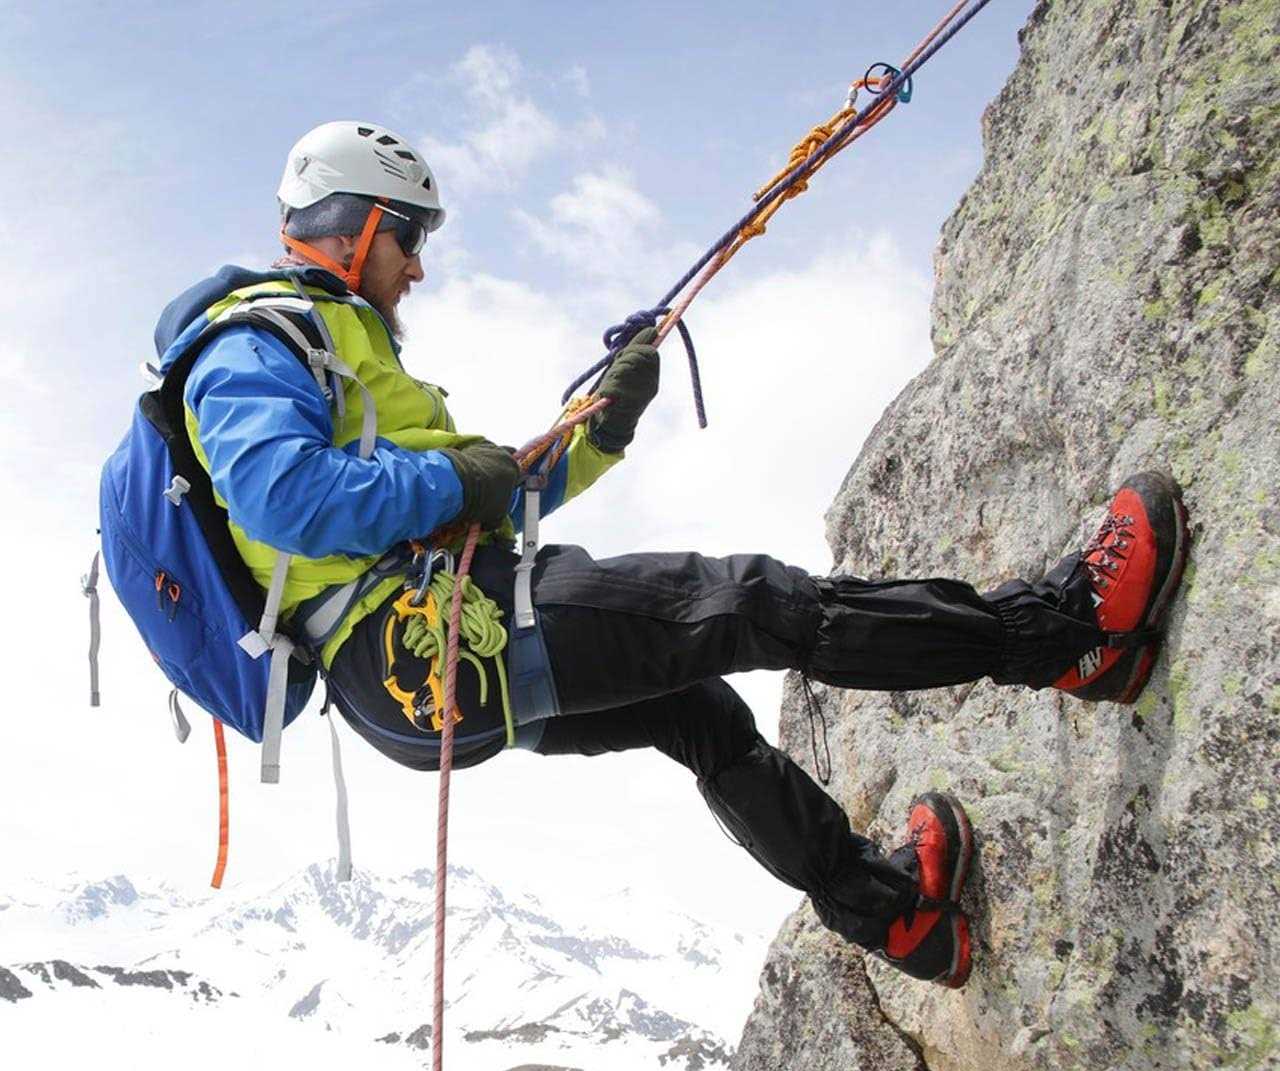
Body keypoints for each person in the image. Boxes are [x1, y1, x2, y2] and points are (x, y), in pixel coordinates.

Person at [155, 120, 1188, 989]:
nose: (418, 266)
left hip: (419, 671)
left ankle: (896, 917)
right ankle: (1067, 637)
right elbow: (286, 497)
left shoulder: (339, 350)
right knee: (752, 603)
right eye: (408, 237)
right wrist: (455, 480)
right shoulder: (252, 342)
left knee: (695, 710)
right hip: (424, 639)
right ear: (354, 225)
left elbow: (484, 502)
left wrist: (602, 429)